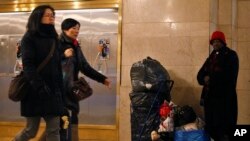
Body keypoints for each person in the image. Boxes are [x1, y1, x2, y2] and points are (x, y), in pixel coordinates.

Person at [13, 5, 64, 141]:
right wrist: (40, 87)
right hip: (34, 91)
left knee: (54, 130)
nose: (51, 17)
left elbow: (57, 66)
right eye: (48, 15)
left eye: (53, 15)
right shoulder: (29, 38)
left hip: (53, 92)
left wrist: (60, 90)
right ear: (37, 17)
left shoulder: (54, 38)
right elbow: (28, 66)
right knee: (31, 131)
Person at [59, 18, 111, 141]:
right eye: (74, 28)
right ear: (65, 29)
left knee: (69, 123)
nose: (77, 31)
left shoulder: (75, 46)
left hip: (71, 91)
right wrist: (62, 55)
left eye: (78, 28)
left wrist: (102, 79)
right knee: (63, 125)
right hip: (59, 91)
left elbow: (85, 67)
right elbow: (48, 64)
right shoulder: (56, 44)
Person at [197, 31, 239, 141]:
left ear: (223, 42)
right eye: (213, 42)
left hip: (224, 102)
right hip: (210, 101)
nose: (215, 44)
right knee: (212, 130)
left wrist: (209, 78)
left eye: (217, 41)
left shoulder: (231, 55)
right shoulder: (211, 57)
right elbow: (200, 75)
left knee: (224, 131)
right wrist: (205, 79)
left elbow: (229, 77)